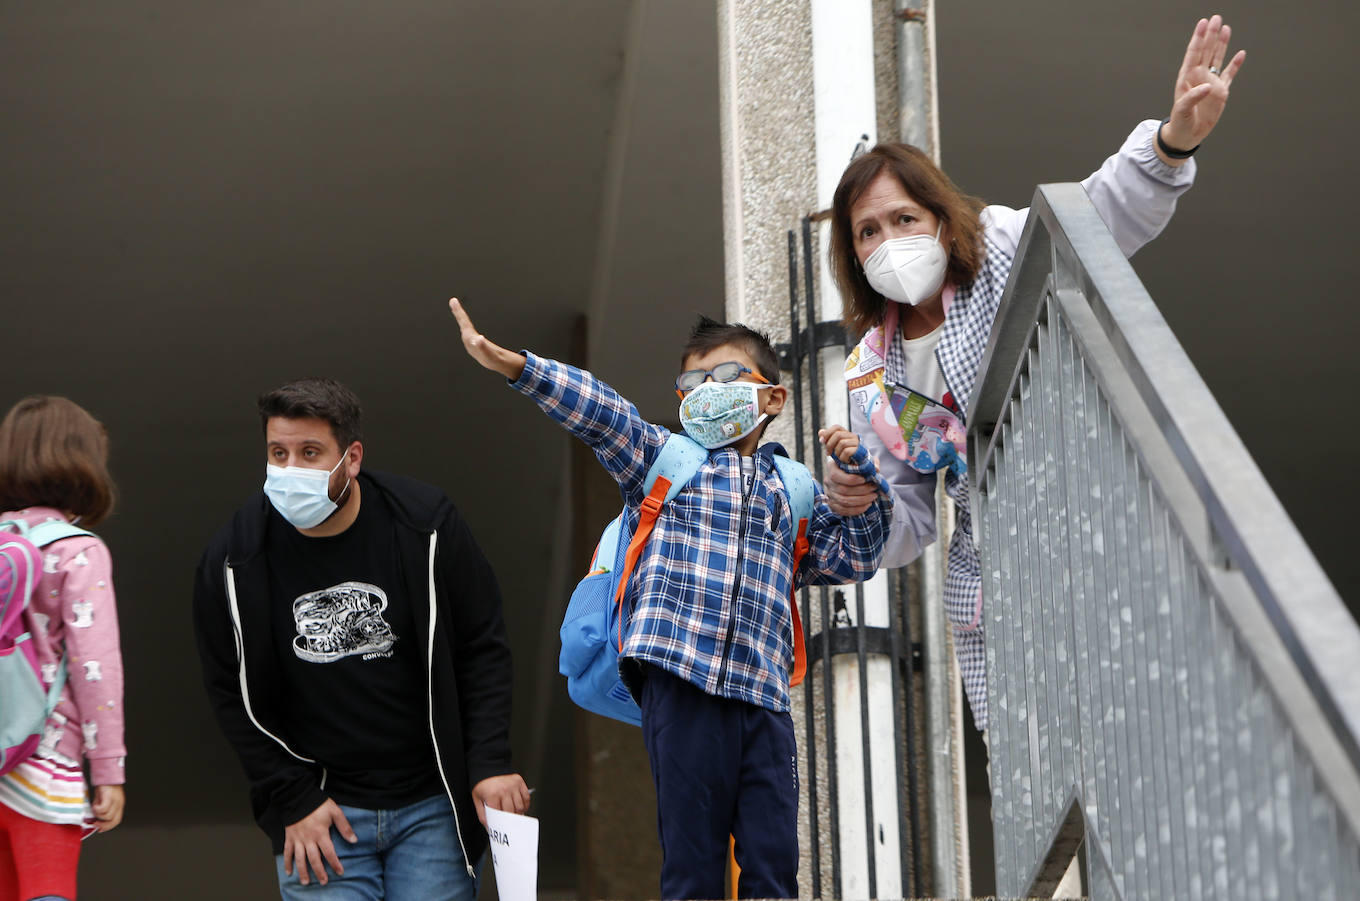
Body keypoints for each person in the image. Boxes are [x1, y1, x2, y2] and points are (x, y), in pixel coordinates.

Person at [823, 15, 1245, 739]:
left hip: (1091, 532)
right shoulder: (871, 376)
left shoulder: (1005, 250)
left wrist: (1173, 142)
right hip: (996, 593)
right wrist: (857, 502)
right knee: (1049, 778)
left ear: (940, 220)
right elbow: (913, 519)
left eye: (903, 218)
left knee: (1155, 744)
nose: (889, 241)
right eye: (868, 231)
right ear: (852, 252)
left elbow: (1102, 214)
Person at [448, 298, 890, 899]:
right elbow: (602, 413)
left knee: (774, 863)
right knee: (692, 860)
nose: (709, 389)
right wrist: (519, 368)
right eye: (694, 381)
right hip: (680, 680)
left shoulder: (794, 489)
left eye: (728, 376)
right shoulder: (664, 459)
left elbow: (854, 559)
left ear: (774, 399)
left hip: (763, 698)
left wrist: (867, 489)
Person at [192, 378, 528, 901]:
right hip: (318, 813)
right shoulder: (235, 559)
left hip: (432, 805)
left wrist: (488, 762)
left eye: (309, 452)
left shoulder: (425, 526)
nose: (290, 470)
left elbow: (481, 646)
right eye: (278, 453)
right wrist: (293, 797)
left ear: (351, 458)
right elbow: (228, 693)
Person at [0, 396, 126, 901]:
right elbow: (97, 669)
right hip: (43, 759)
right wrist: (109, 770)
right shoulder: (78, 550)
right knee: (48, 890)